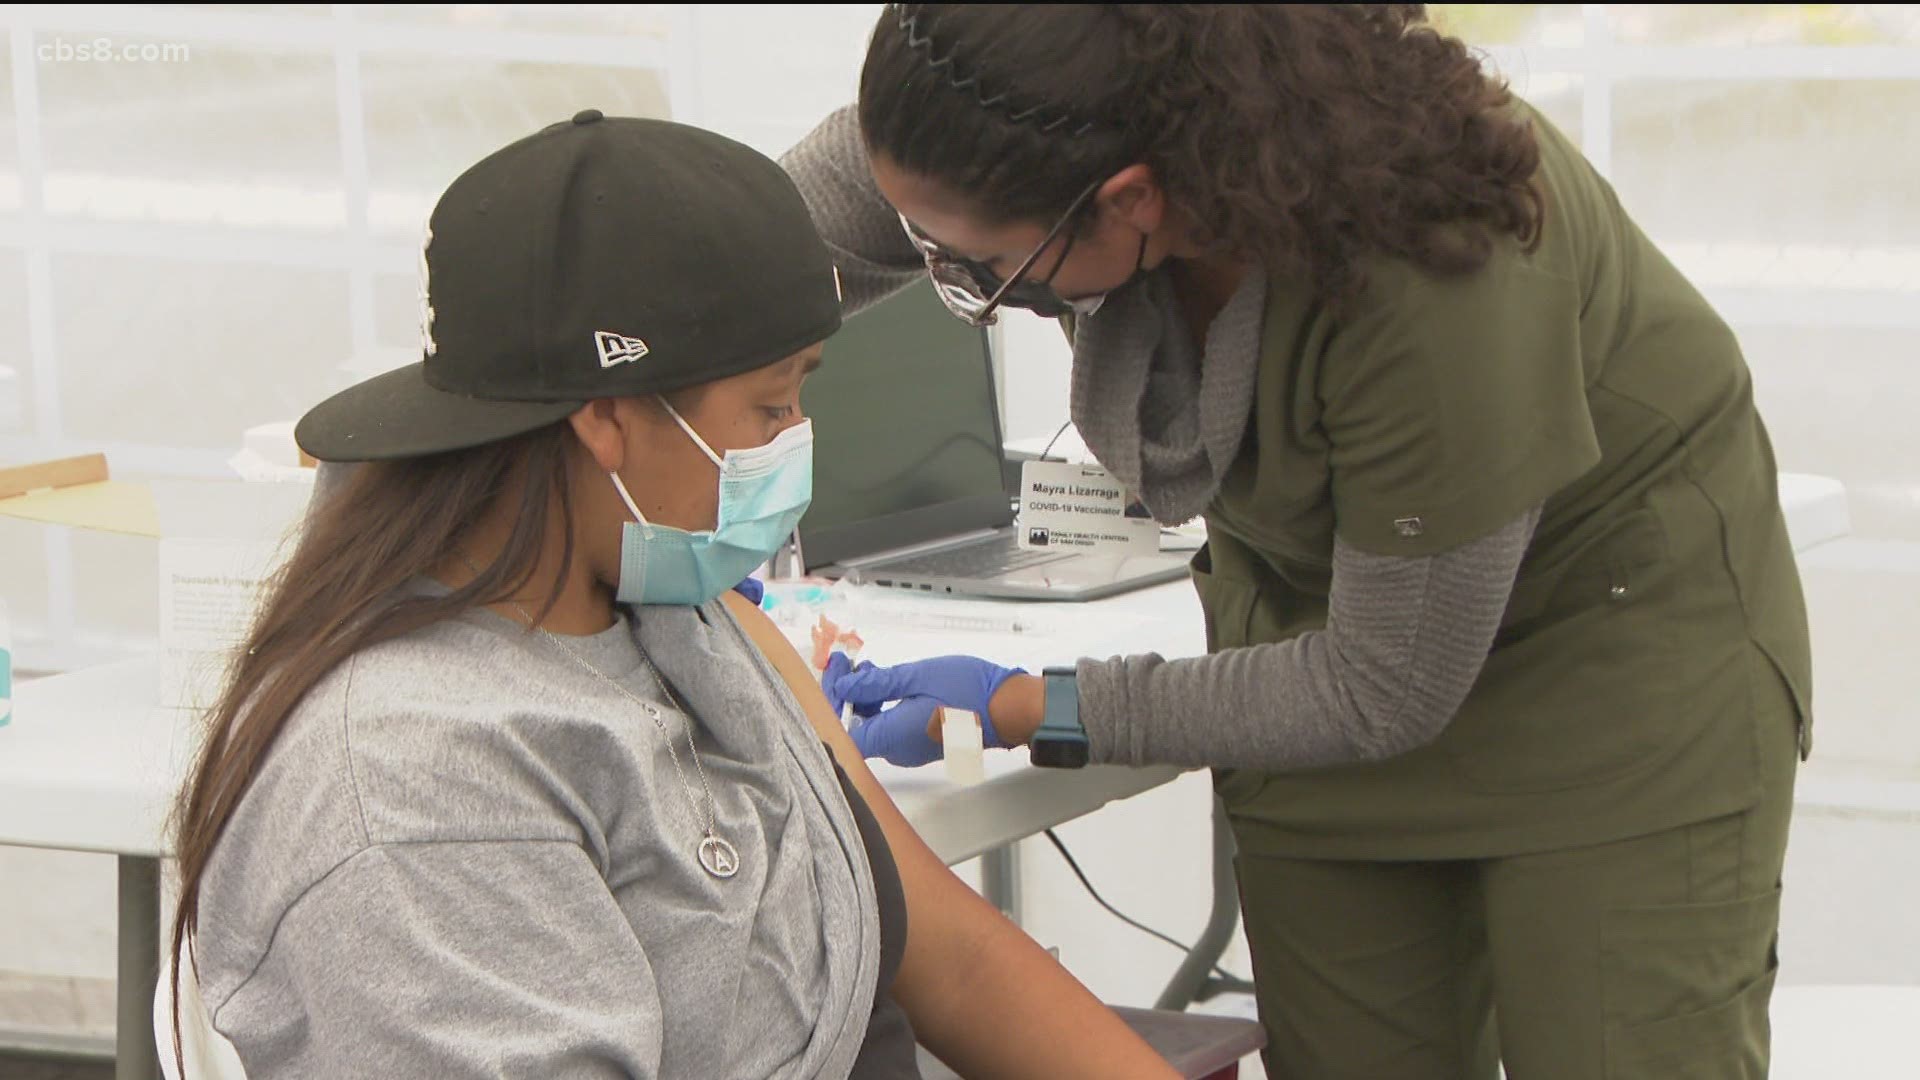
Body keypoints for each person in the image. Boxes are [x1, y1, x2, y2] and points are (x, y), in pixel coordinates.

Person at [789, 6, 1812, 1078]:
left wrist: (1029, 703)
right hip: (1312, 643)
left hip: (1609, 668)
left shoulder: (1439, 250)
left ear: (1132, 197)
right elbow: (734, 254)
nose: (964, 280)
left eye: (984, 268)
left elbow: (1384, 687)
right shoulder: (1003, 117)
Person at [164, 110, 1178, 1079]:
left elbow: (953, 958)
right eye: (770, 404)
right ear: (606, 420)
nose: (794, 444)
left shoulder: (676, 612)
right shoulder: (412, 789)